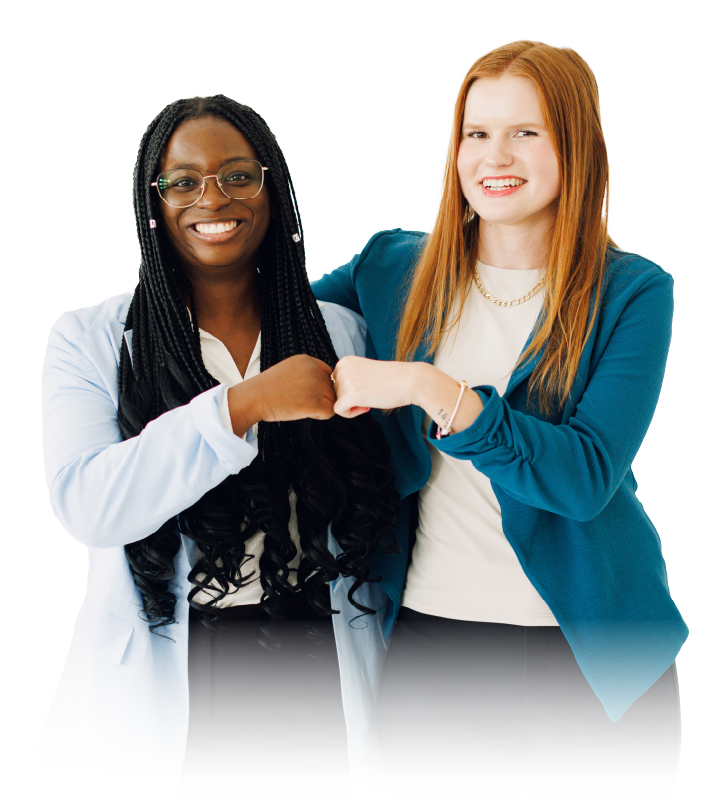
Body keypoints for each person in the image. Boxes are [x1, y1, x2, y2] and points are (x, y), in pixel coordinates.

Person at [311, 39, 687, 794]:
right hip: (433, 640)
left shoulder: (633, 292)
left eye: (526, 131)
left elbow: (582, 479)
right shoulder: (392, 267)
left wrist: (430, 386)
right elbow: (270, 322)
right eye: (476, 133)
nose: (495, 155)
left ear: (574, 144)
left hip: (596, 657)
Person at [40, 95, 399, 796]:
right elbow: (88, 504)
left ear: (273, 189)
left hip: (316, 654)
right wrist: (246, 404)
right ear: (153, 201)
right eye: (183, 181)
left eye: (238, 175)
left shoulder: (339, 335)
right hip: (178, 664)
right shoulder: (87, 339)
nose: (213, 197)